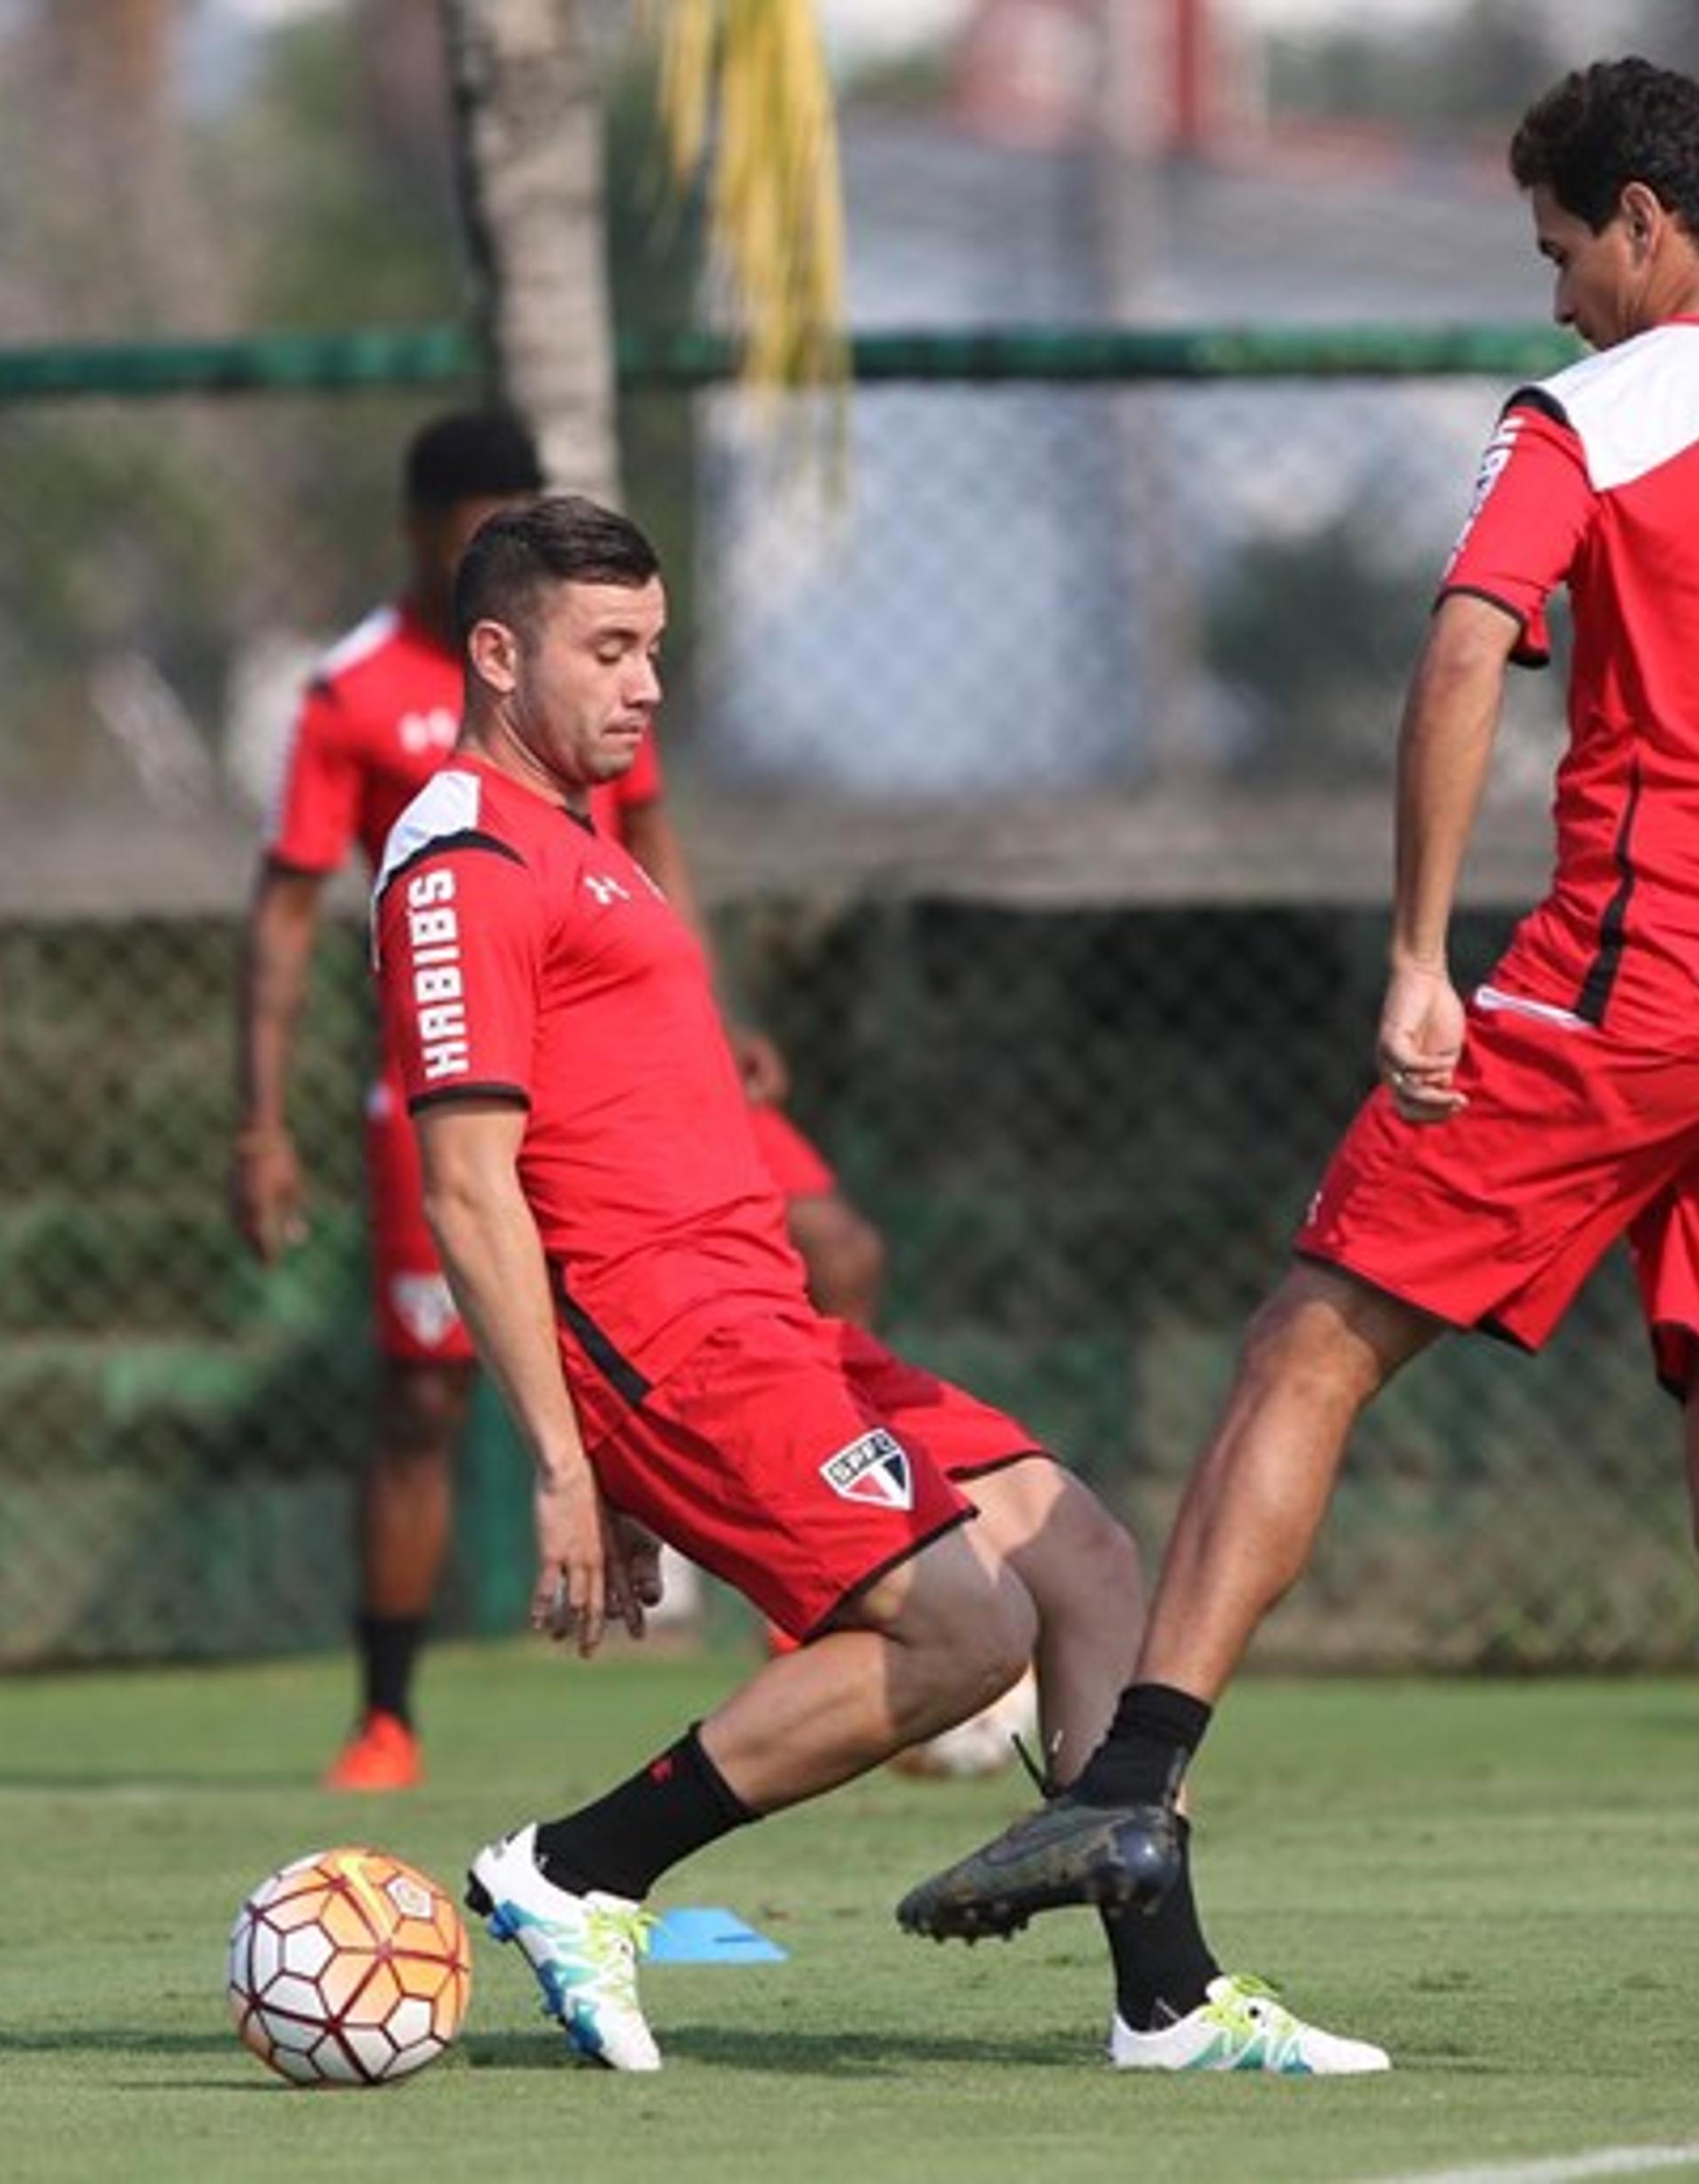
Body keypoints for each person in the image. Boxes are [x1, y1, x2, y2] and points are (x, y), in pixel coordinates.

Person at [903, 57, 1699, 2084]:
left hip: (1623, 996)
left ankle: (1136, 1775)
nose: (1553, 302)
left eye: (1557, 251)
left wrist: (1424, 953)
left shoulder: (1591, 420)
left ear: (1639, 216)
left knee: (1310, 1347)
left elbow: (1462, 648)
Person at [374, 495, 1383, 2074]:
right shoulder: (460, 857)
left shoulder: (592, 844)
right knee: (962, 1634)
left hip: (770, 1322)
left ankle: (1165, 2001)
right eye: (611, 650)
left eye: (658, 649)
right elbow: (467, 1182)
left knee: (1086, 1552)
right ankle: (577, 1871)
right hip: (671, 1337)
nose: (647, 686)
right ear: (497, 655)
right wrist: (573, 1462)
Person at [236, 410, 877, 1791]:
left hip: (619, 1069)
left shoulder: (589, 678)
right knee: (420, 1401)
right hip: (461, 1078)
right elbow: (288, 908)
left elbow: (643, 844)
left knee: (832, 1251)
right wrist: (262, 1116)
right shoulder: (361, 701)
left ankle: (812, 1590)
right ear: (427, 541)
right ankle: (387, 1711)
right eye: (471, 512)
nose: (640, 679)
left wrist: (709, 1021)